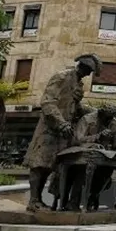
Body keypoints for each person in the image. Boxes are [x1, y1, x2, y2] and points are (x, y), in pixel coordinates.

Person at [24, 54, 102, 212]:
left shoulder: (78, 83)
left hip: (63, 131)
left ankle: (39, 200)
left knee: (49, 166)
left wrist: (96, 112)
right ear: (82, 66)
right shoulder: (62, 77)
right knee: (39, 164)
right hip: (49, 128)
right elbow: (47, 102)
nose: (88, 74)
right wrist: (60, 122)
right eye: (88, 70)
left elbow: (74, 107)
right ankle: (33, 201)